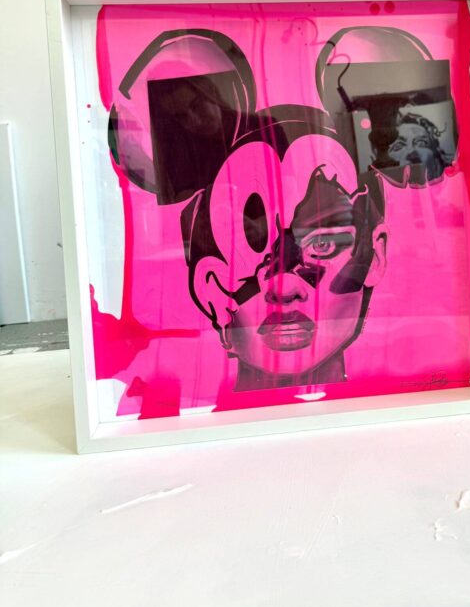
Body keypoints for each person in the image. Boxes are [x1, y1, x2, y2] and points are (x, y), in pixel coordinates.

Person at [109, 27, 388, 391]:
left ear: (375, 256)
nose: (285, 286)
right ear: (209, 285)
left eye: (322, 244)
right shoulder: (197, 175)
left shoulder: (269, 136)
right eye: (180, 117)